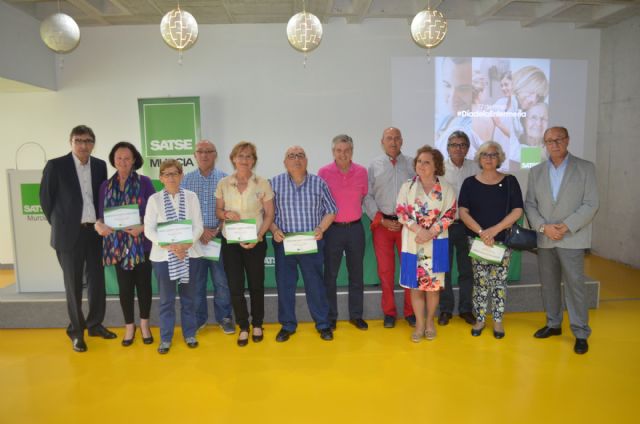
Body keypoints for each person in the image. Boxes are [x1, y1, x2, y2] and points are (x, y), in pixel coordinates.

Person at [40, 125, 115, 352]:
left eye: (88, 140)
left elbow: (101, 198)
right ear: (71, 142)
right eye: (79, 140)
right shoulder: (56, 165)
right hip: (68, 235)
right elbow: (46, 200)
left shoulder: (100, 165)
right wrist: (63, 225)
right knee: (72, 285)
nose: (84, 145)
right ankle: (76, 331)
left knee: (97, 282)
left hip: (94, 233)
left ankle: (94, 324)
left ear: (93, 143)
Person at [525, 127, 599, 355]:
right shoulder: (536, 171)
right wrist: (543, 227)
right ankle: (553, 324)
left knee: (575, 286)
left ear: (567, 140)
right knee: (549, 284)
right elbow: (530, 204)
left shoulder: (586, 168)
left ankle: (580, 331)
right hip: (545, 237)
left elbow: (591, 203)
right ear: (544, 144)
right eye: (549, 141)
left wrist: (565, 227)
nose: (554, 144)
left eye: (558, 139)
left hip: (572, 238)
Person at [269, 146, 337, 342]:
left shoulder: (319, 183)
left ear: (306, 160)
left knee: (315, 285)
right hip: (285, 243)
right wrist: (274, 230)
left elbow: (331, 210)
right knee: (285, 286)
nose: (296, 159)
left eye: (300, 156)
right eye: (291, 156)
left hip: (311, 243)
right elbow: (266, 213)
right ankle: (287, 325)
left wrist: (321, 229)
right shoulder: (273, 183)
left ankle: (323, 324)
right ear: (285, 162)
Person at [458, 141, 523, 339]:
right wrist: (481, 232)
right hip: (477, 242)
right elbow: (463, 211)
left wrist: (494, 231)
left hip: (501, 241)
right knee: (480, 282)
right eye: (485, 154)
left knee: (499, 283)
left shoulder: (511, 181)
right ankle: (479, 319)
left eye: (493, 154)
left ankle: (497, 320)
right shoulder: (469, 183)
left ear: (500, 158)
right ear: (479, 158)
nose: (489, 158)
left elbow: (517, 210)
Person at [95, 142, 156, 346]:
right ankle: (129, 326)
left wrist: (141, 227)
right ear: (113, 160)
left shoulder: (145, 182)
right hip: (118, 246)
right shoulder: (105, 186)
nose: (123, 161)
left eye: (127, 158)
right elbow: (101, 215)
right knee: (125, 288)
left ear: (134, 160)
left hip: (142, 243)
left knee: (144, 286)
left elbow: (155, 213)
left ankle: (145, 325)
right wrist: (100, 226)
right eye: (119, 158)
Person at [215, 141, 274, 347]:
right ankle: (243, 326)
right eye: (240, 156)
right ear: (233, 159)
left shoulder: (262, 183)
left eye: (249, 156)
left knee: (256, 285)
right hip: (231, 242)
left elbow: (269, 214)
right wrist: (225, 214)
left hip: (256, 241)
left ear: (254, 160)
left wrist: (259, 236)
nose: (244, 160)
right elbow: (218, 212)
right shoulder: (223, 183)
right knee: (235, 286)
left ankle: (257, 324)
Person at [396, 146, 456, 342]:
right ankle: (419, 325)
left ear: (436, 165)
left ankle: (430, 322)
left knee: (433, 287)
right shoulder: (407, 186)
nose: (421, 165)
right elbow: (401, 212)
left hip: (436, 243)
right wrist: (419, 230)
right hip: (413, 242)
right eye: (419, 161)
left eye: (427, 162)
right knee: (415, 287)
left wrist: (430, 232)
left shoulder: (446, 188)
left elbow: (450, 214)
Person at [144, 159, 204, 354]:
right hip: (163, 256)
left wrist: (186, 245)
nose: (171, 177)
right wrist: (170, 246)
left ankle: (189, 334)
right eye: (167, 174)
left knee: (189, 298)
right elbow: (149, 230)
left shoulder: (192, 197)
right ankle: (166, 338)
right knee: (166, 300)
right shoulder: (154, 200)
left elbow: (198, 226)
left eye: (175, 173)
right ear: (161, 178)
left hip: (190, 253)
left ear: (181, 176)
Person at [363, 127, 416, 328]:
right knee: (385, 272)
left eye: (396, 138)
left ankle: (410, 312)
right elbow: (367, 195)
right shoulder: (374, 165)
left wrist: (408, 219)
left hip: (408, 226)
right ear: (382, 142)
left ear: (401, 141)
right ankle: (389, 313)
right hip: (383, 225)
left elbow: (419, 193)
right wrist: (380, 219)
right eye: (389, 139)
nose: (393, 142)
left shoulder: (412, 164)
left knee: (409, 269)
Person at [181, 140, 235, 335]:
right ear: (194, 156)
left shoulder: (226, 179)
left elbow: (232, 208)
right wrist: (200, 230)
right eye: (200, 152)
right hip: (195, 239)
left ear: (215, 154)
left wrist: (218, 228)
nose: (204, 155)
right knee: (196, 281)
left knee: (222, 281)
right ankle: (198, 318)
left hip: (219, 236)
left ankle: (225, 317)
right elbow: (183, 211)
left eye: (208, 151)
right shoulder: (186, 180)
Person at [318, 135, 369, 331]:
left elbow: (363, 196)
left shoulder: (362, 172)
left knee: (356, 274)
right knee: (330, 275)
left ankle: (356, 315)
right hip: (332, 230)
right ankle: (331, 317)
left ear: (352, 151)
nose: (343, 154)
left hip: (356, 228)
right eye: (338, 150)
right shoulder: (324, 172)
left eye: (347, 150)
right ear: (333, 152)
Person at [438, 131, 477, 326]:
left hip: (468, 227)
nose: (458, 148)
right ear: (448, 148)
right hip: (444, 227)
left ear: (468, 148)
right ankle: (445, 310)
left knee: (466, 270)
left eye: (462, 145)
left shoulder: (476, 167)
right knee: (443, 270)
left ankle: (465, 309)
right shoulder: (439, 169)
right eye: (454, 145)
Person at [434, 57, 483, 158]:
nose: (452, 97)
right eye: (447, 85)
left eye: (463, 89)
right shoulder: (444, 119)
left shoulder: (475, 125)